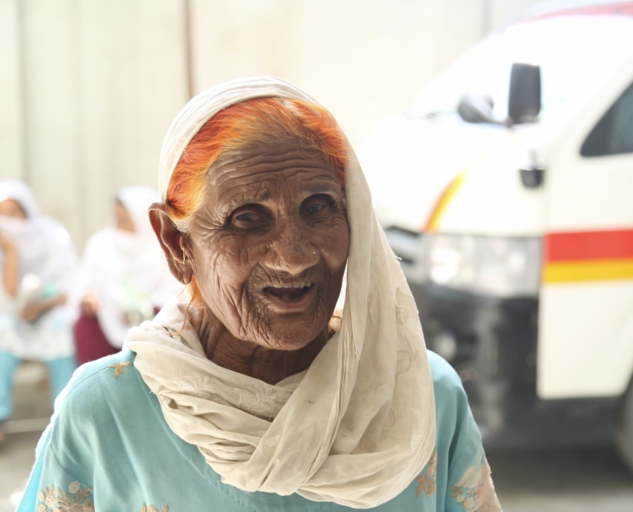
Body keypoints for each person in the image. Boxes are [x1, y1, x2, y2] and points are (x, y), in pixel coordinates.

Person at [18, 78, 501, 511]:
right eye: (247, 218)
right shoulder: (108, 413)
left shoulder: (421, 395)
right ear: (176, 243)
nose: (293, 255)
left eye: (318, 208)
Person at [0, 180, 78, 444]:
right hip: (15, 316)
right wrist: (10, 250)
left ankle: (67, 414)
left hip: (50, 309)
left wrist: (41, 306)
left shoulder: (51, 235)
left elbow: (69, 286)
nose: (8, 220)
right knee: (4, 331)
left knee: (60, 328)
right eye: (2, 214)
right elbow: (8, 297)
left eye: (14, 213)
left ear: (27, 212)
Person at [74, 186, 181, 365]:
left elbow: (176, 296)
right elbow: (85, 287)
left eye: (124, 219)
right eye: (116, 218)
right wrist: (89, 301)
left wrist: (141, 311)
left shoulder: (165, 248)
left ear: (146, 222)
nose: (116, 225)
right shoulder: (101, 244)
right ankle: (100, 385)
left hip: (155, 323)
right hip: (108, 324)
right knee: (85, 325)